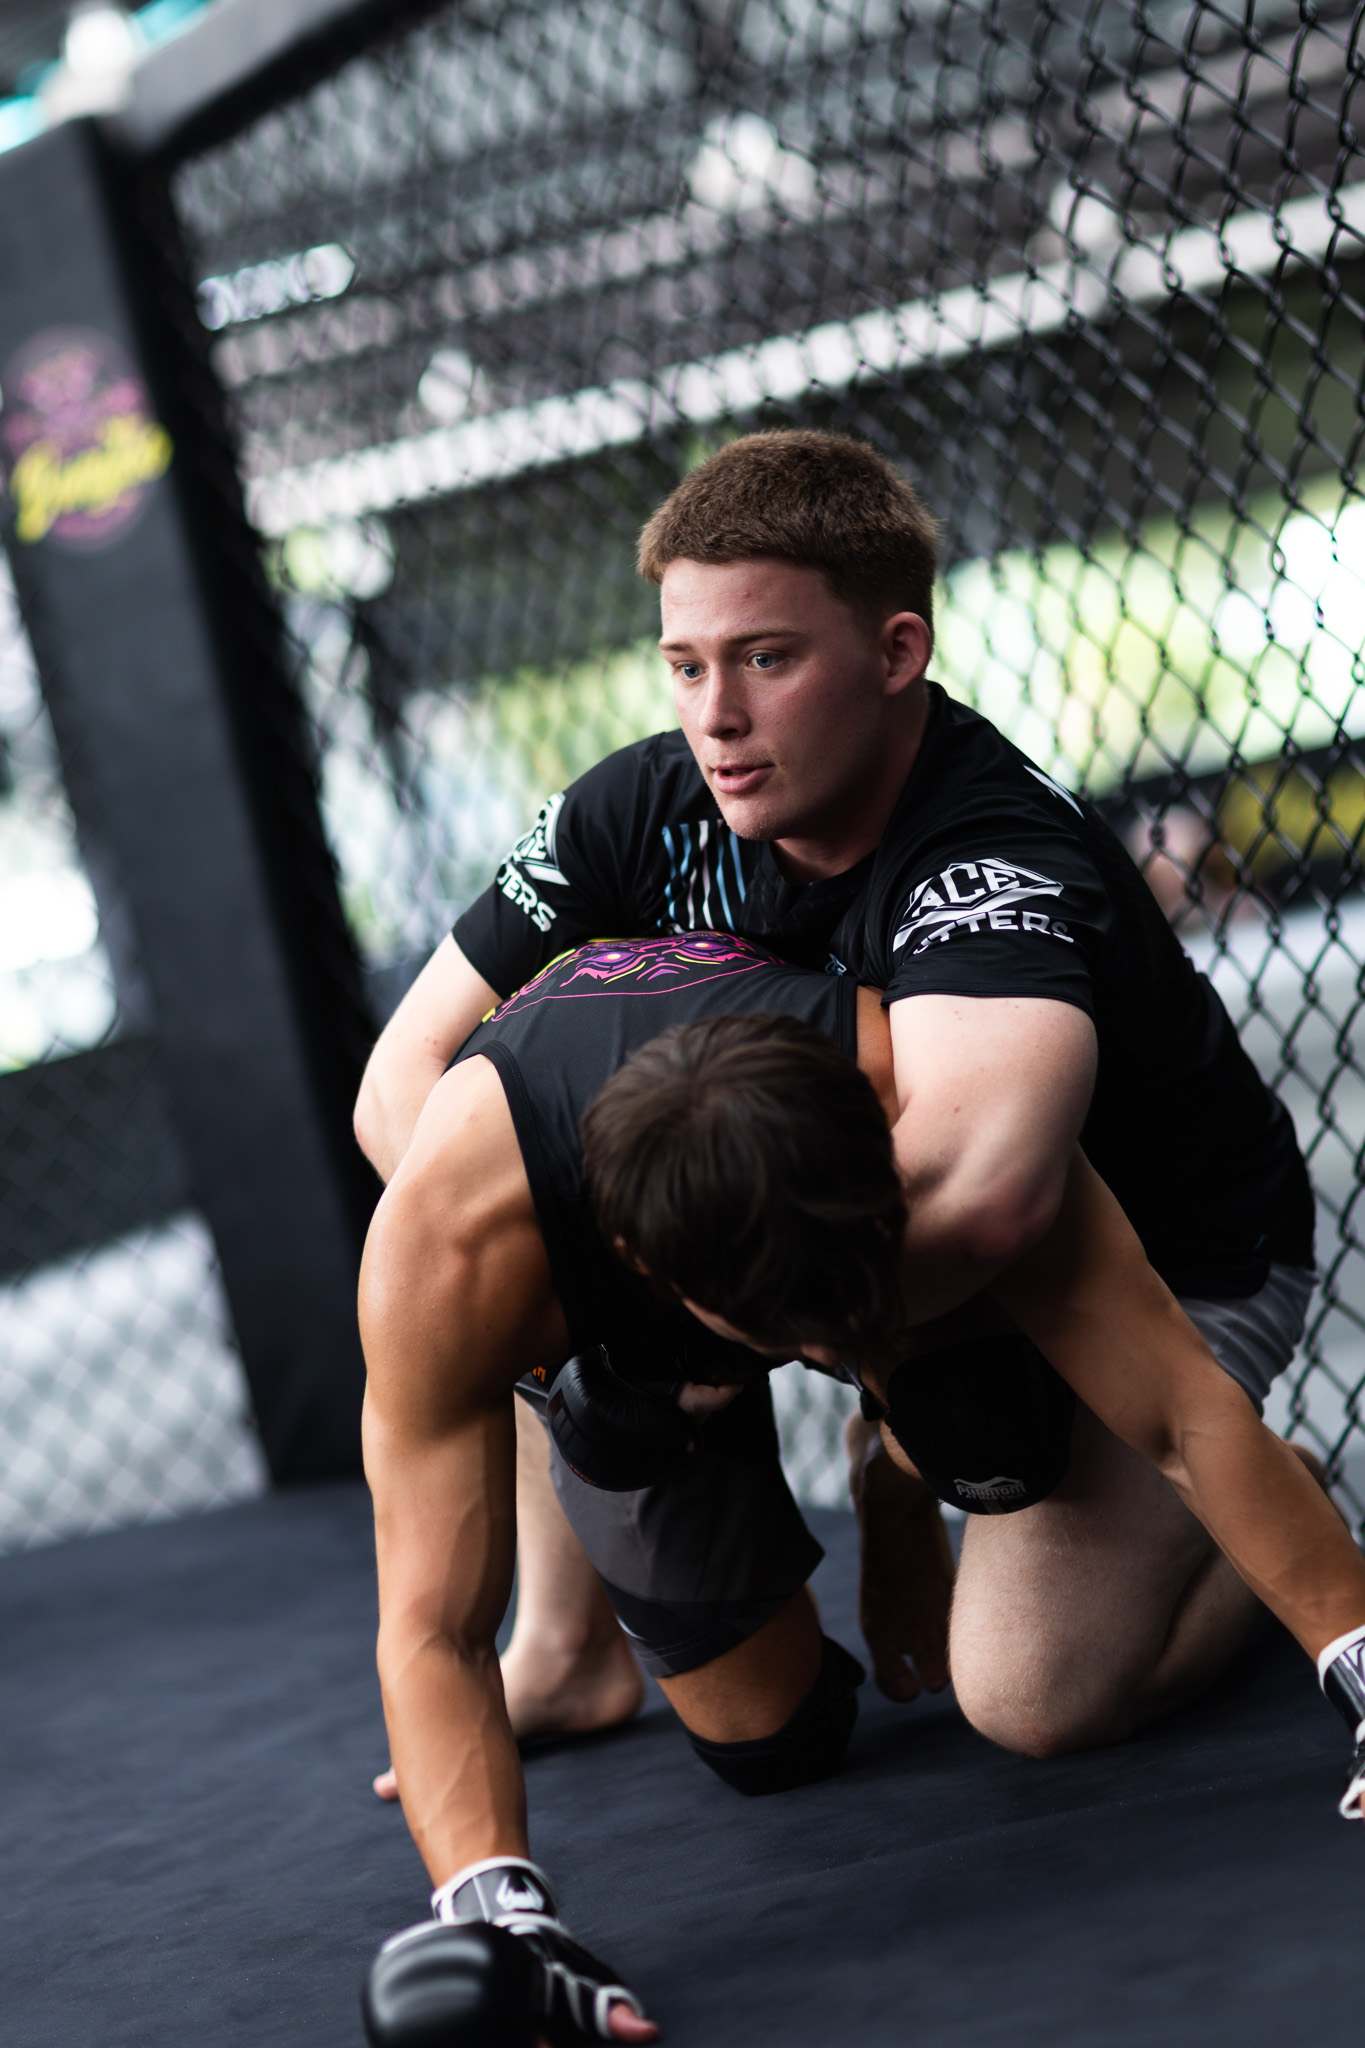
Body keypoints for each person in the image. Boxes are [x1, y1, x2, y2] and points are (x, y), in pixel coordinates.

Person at [354, 427, 1317, 1757]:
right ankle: (566, 1646)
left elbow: (982, 1204)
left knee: (1030, 1696)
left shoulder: (986, 848)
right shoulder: (641, 807)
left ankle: (1243, 1499)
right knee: (507, 1224)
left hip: (1165, 1262)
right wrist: (607, 1289)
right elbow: (399, 1086)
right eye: (686, 665)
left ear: (895, 651)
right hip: (844, 1256)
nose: (715, 715)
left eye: (766, 658)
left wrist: (697, 1320)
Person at [358, 935, 1365, 2048]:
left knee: (988, 1427)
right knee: (765, 1738)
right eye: (792, 1334)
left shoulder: (933, 1093)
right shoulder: (447, 1252)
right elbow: (434, 1625)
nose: (820, 1353)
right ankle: (632, 1525)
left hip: (842, 1248)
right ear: (643, 1265)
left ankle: (905, 1442)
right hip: (629, 1357)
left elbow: (1181, 1412)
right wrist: (502, 1921)